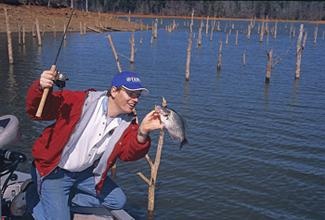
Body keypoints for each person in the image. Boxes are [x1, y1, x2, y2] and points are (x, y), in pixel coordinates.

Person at [24, 70, 163, 220]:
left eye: (138, 95)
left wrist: (142, 133)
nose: (135, 100)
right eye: (130, 94)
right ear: (114, 91)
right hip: (54, 172)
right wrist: (40, 86)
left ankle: (53, 199)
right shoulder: (80, 101)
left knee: (117, 201)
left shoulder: (128, 123)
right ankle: (35, 195)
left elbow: (128, 154)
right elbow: (39, 111)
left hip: (85, 174)